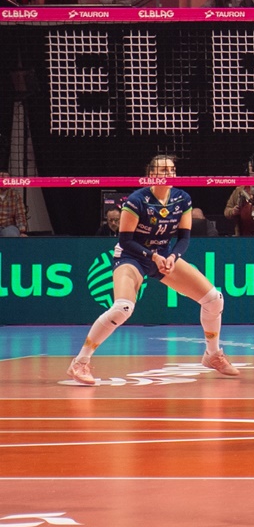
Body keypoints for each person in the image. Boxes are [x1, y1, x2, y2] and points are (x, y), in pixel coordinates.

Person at [65, 154, 241, 386]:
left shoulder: (182, 198)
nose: (168, 174)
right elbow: (126, 240)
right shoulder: (136, 201)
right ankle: (80, 362)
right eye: (162, 170)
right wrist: (153, 256)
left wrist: (173, 257)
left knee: (214, 299)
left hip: (164, 255)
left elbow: (184, 238)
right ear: (151, 174)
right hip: (132, 257)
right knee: (123, 308)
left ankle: (213, 354)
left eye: (171, 170)